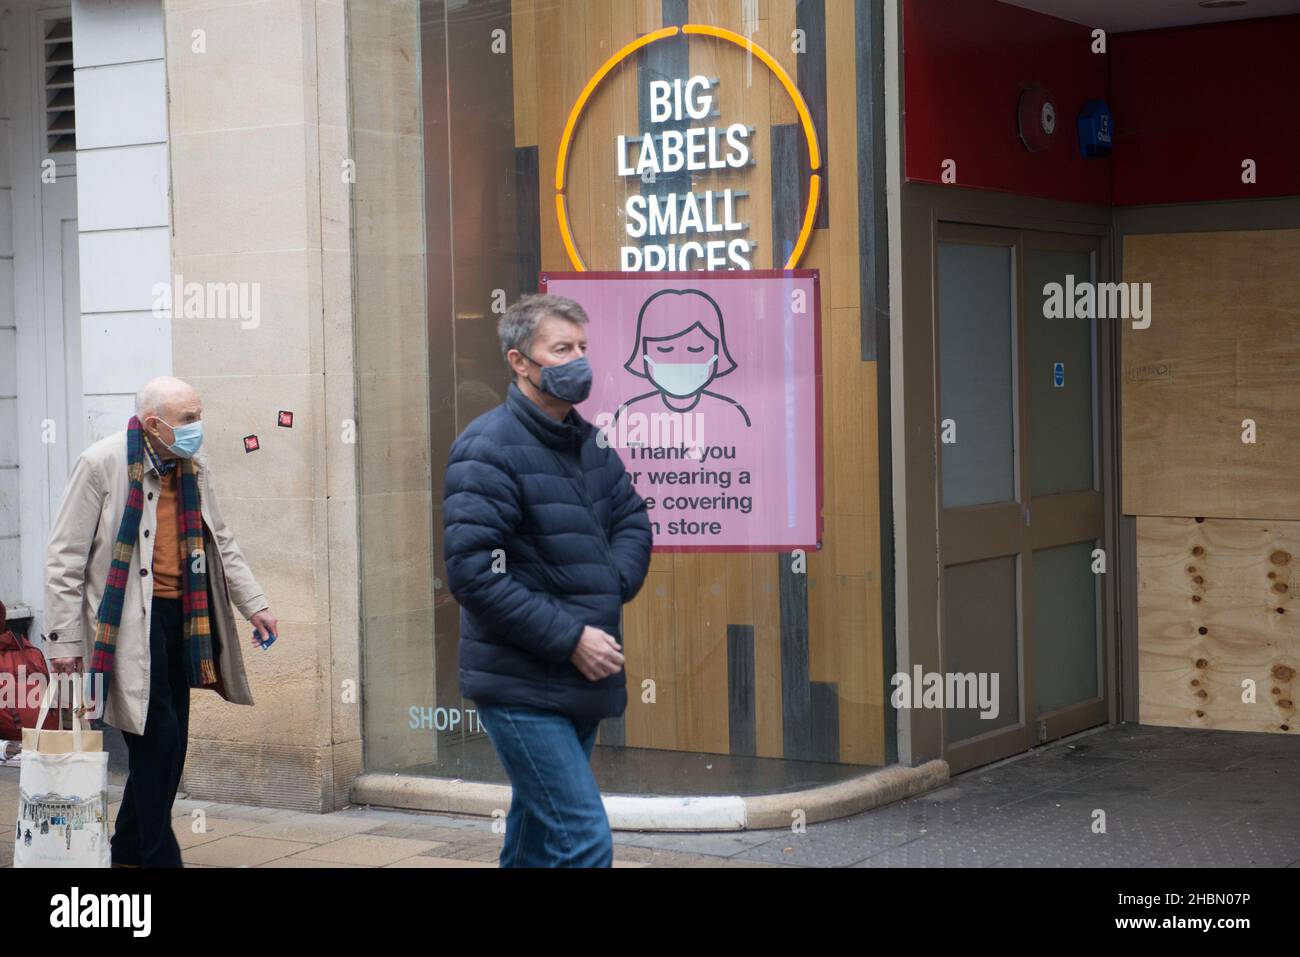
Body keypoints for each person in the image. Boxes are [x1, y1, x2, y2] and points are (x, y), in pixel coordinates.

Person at [443, 294, 653, 868]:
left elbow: (633, 517)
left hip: (580, 680)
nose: (577, 360)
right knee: (584, 838)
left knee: (536, 834)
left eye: (582, 347)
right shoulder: (488, 448)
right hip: (520, 684)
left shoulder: (590, 441)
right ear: (520, 362)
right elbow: (473, 574)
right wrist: (570, 638)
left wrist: (611, 581)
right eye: (561, 349)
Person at [43, 376, 277, 867]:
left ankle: (126, 847)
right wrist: (65, 644)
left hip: (186, 620)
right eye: (189, 419)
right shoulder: (101, 464)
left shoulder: (194, 466)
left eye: (198, 415)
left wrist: (253, 603)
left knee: (171, 744)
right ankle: (158, 857)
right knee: (160, 741)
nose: (198, 427)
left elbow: (222, 539)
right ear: (155, 425)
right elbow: (64, 559)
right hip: (125, 628)